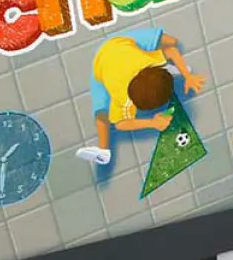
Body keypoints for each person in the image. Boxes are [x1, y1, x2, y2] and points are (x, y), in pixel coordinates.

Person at [76, 28, 206, 168]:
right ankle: (104, 152)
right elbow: (120, 124)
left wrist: (188, 76)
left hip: (121, 45)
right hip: (100, 66)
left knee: (171, 41)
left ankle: (168, 68)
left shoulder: (147, 60)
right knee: (101, 113)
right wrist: (152, 122)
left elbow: (171, 51)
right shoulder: (122, 98)